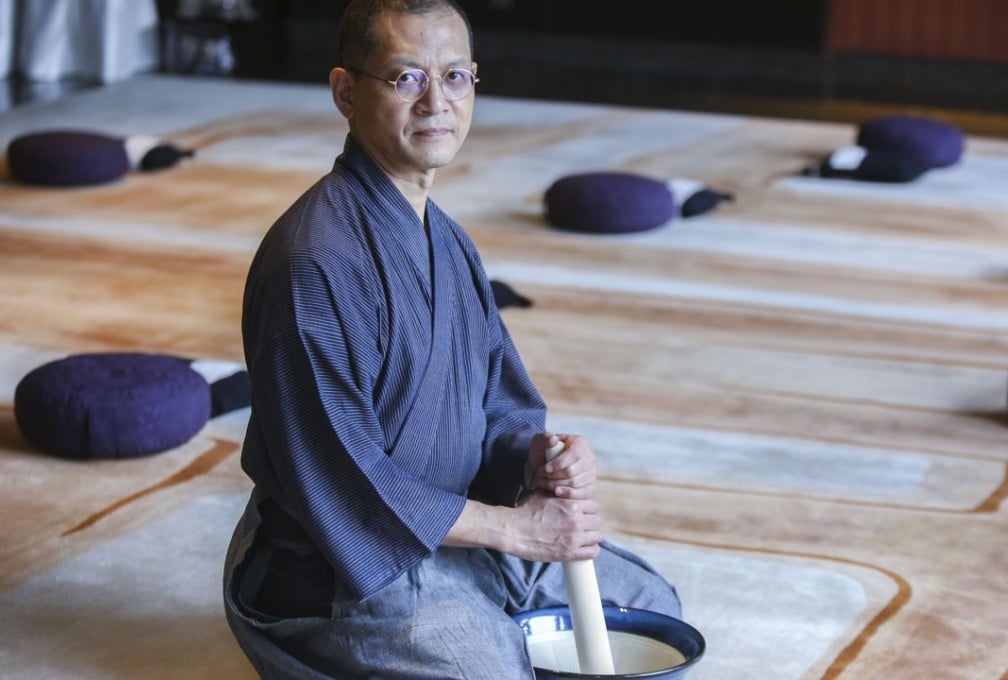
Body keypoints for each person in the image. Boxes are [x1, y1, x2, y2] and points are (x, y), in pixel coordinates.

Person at [222, 1, 683, 677]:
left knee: (650, 608)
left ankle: (486, 618)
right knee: (487, 667)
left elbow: (499, 404)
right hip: (339, 572)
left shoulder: (448, 240)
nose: (436, 103)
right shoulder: (313, 260)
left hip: (462, 539)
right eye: (406, 78)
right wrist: (515, 532)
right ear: (347, 92)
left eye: (456, 78)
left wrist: (539, 460)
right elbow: (342, 477)